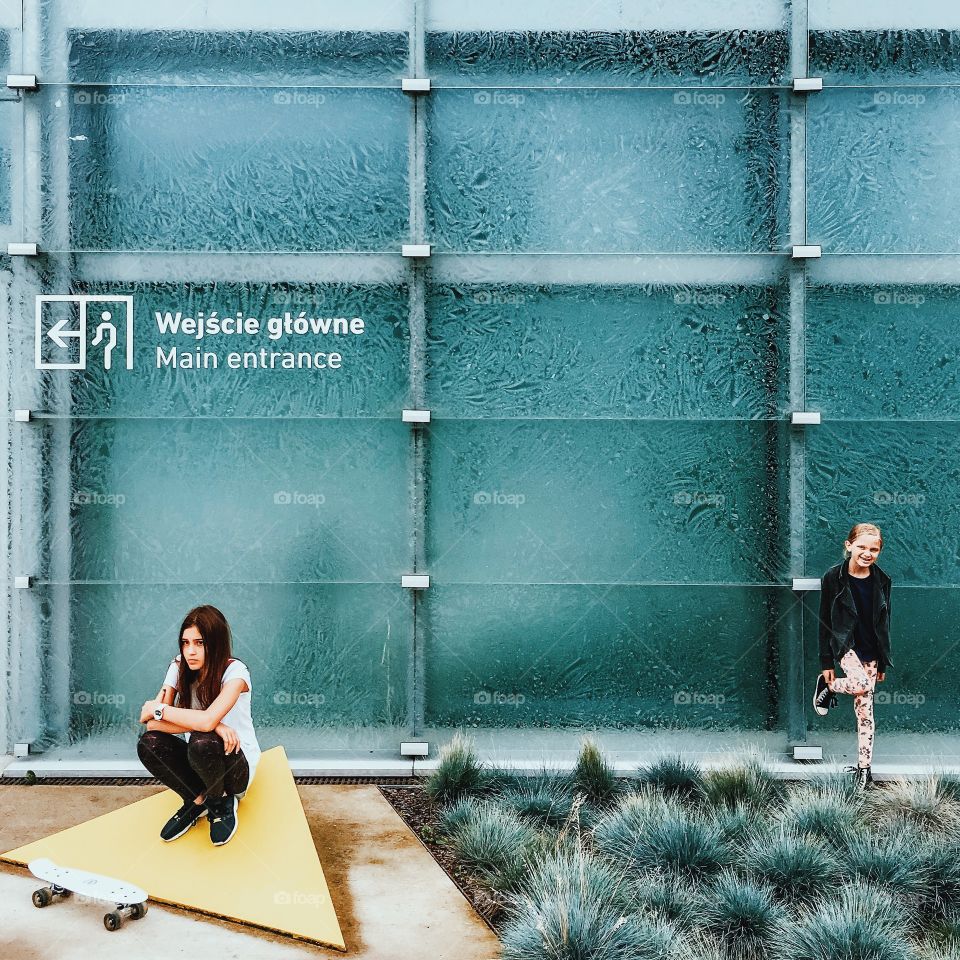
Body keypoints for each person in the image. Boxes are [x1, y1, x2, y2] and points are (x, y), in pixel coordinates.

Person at [137, 605, 261, 845]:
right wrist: (214, 725)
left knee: (203, 742)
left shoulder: (236, 673)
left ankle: (221, 802)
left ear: (216, 643)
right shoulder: (178, 667)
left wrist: (163, 709)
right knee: (149, 744)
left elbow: (165, 714)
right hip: (199, 762)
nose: (190, 652)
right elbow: (152, 725)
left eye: (200, 643)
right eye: (185, 643)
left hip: (234, 765)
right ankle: (197, 799)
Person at [812, 523, 893, 791]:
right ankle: (828, 686)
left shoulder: (883, 580)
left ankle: (864, 769)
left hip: (871, 650)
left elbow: (885, 622)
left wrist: (882, 659)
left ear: (879, 551)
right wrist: (826, 662)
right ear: (848, 546)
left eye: (874, 549)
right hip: (845, 645)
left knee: (865, 712)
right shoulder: (833, 577)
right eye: (861, 547)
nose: (867, 553)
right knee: (862, 686)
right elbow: (824, 619)